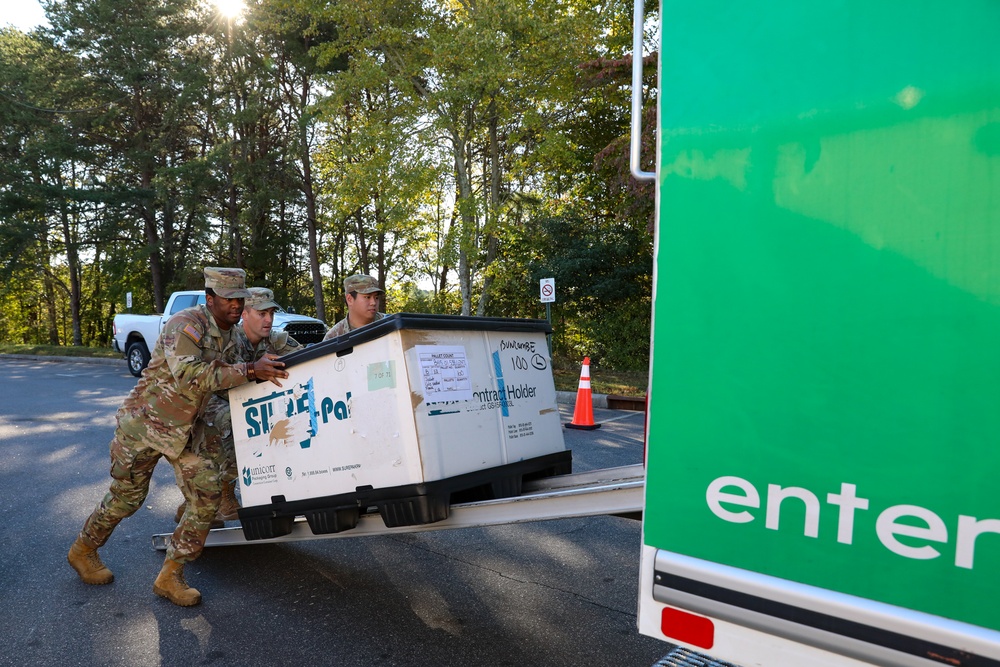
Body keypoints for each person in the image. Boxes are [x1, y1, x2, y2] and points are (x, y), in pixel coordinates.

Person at [67, 267, 288, 607]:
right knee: (127, 499)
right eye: (227, 299)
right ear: (210, 299)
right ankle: (83, 550)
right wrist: (249, 370)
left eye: (239, 300)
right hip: (145, 426)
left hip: (184, 431)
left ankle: (170, 575)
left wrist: (262, 368)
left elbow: (240, 372)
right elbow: (190, 374)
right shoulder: (185, 325)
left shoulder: (232, 336)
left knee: (208, 492)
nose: (234, 305)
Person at [177, 287, 302, 524]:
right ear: (245, 313)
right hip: (216, 399)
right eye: (261, 314)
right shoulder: (226, 342)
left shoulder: (277, 341)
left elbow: (306, 358)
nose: (269, 320)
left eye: (272, 314)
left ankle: (198, 500)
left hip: (252, 402)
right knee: (235, 421)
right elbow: (209, 380)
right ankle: (222, 493)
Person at [322, 274, 386, 341]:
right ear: (350, 299)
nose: (373, 303)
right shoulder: (334, 337)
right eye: (367, 297)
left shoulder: (390, 324)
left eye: (376, 297)